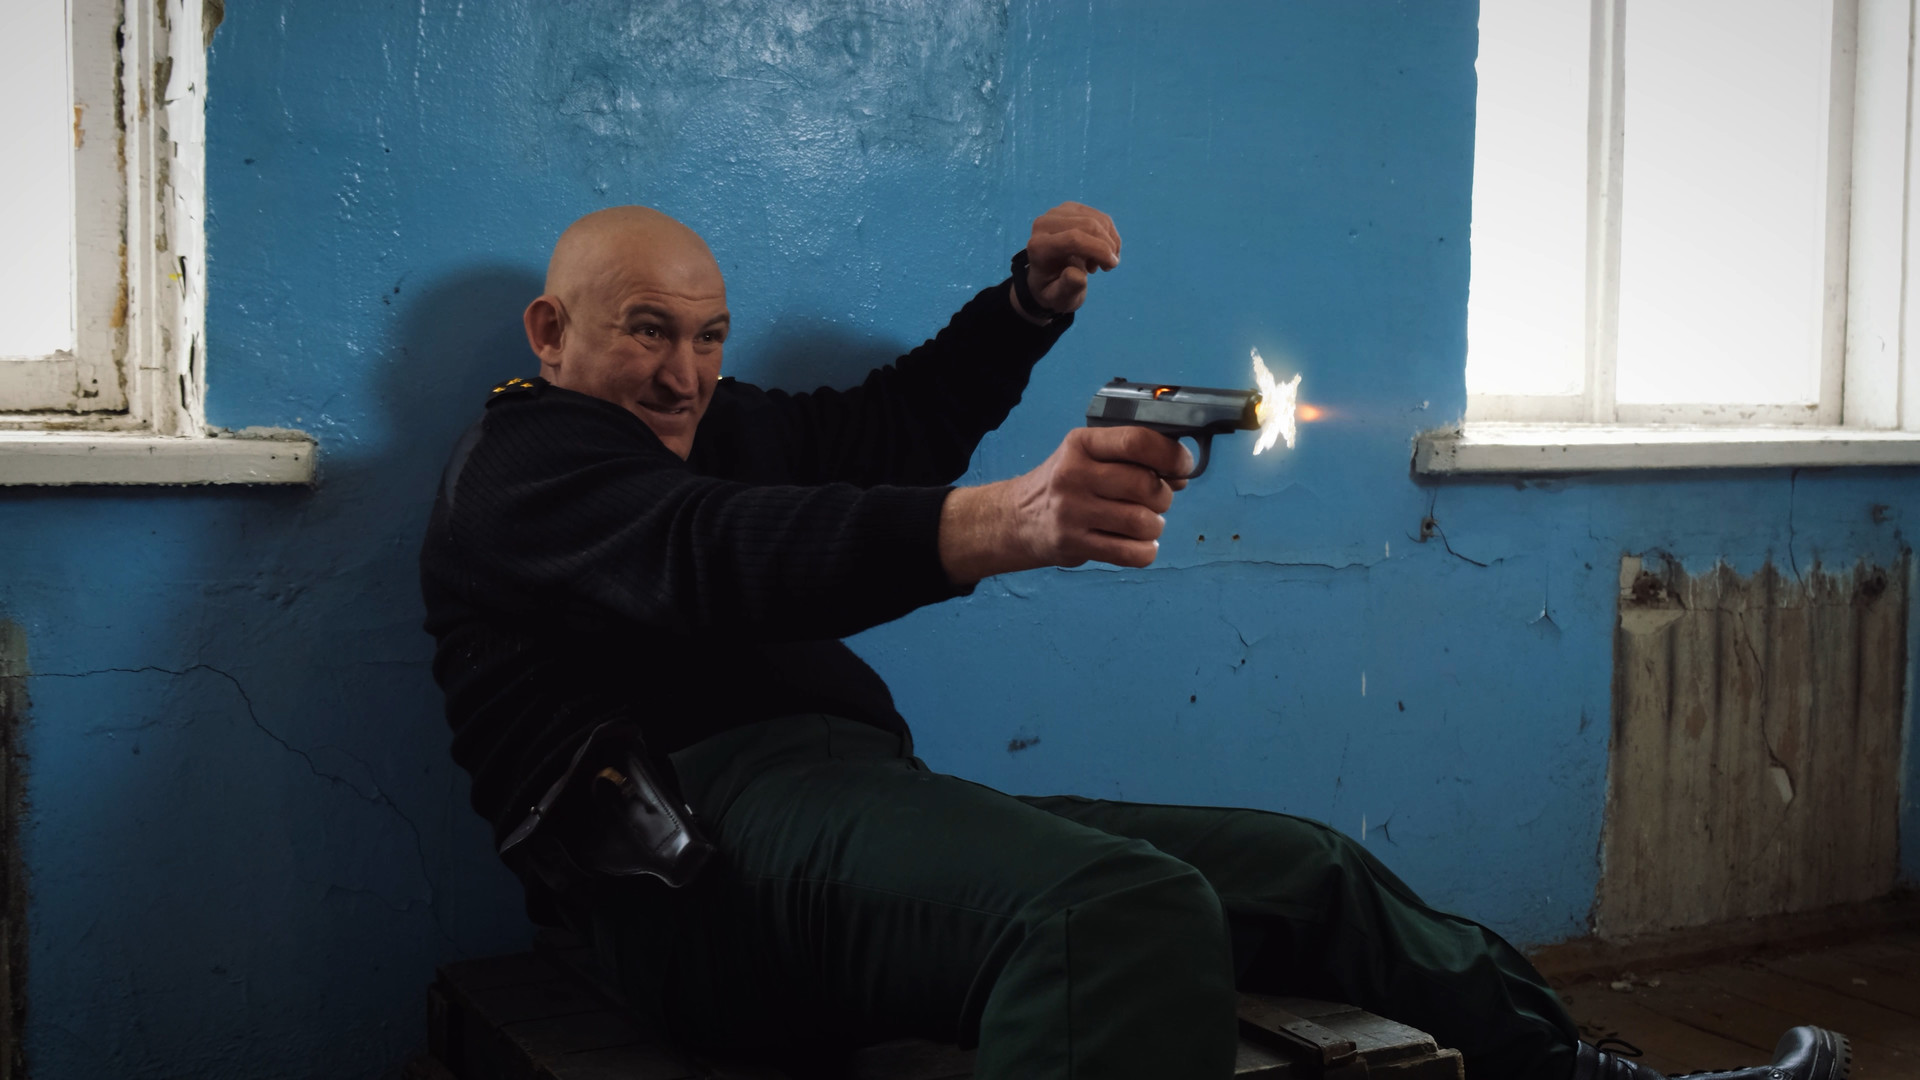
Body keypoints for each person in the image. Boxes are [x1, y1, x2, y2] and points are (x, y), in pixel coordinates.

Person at [419, 204, 1849, 1080]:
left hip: (855, 803)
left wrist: (1024, 306)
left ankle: (1575, 1074)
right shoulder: (523, 468)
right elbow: (712, 552)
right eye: (647, 334)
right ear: (552, 331)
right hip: (693, 875)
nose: (684, 373)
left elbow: (884, 431)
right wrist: (1008, 520)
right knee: (1114, 912)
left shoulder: (719, 423)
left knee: (1308, 869)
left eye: (710, 336)